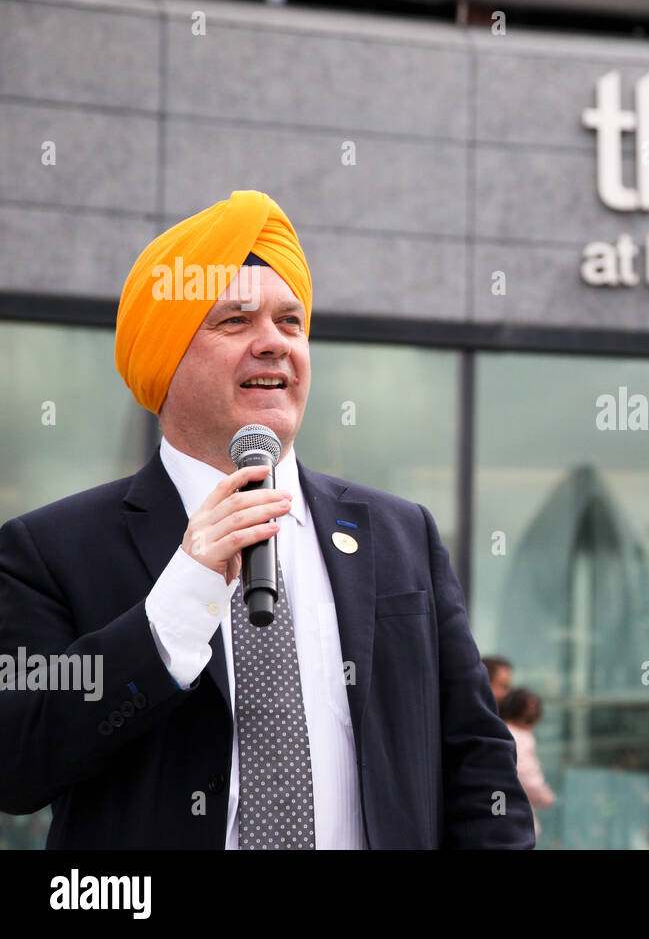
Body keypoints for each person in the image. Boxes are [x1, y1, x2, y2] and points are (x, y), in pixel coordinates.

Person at [0, 190, 535, 849]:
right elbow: (17, 767)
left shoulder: (402, 537)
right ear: (164, 357)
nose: (274, 345)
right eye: (235, 322)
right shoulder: (50, 551)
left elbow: (479, 765)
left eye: (291, 322)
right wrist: (179, 603)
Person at [499, 687, 555, 841]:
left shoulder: (499, 730)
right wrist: (545, 796)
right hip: (513, 816)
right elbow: (527, 775)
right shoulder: (520, 737)